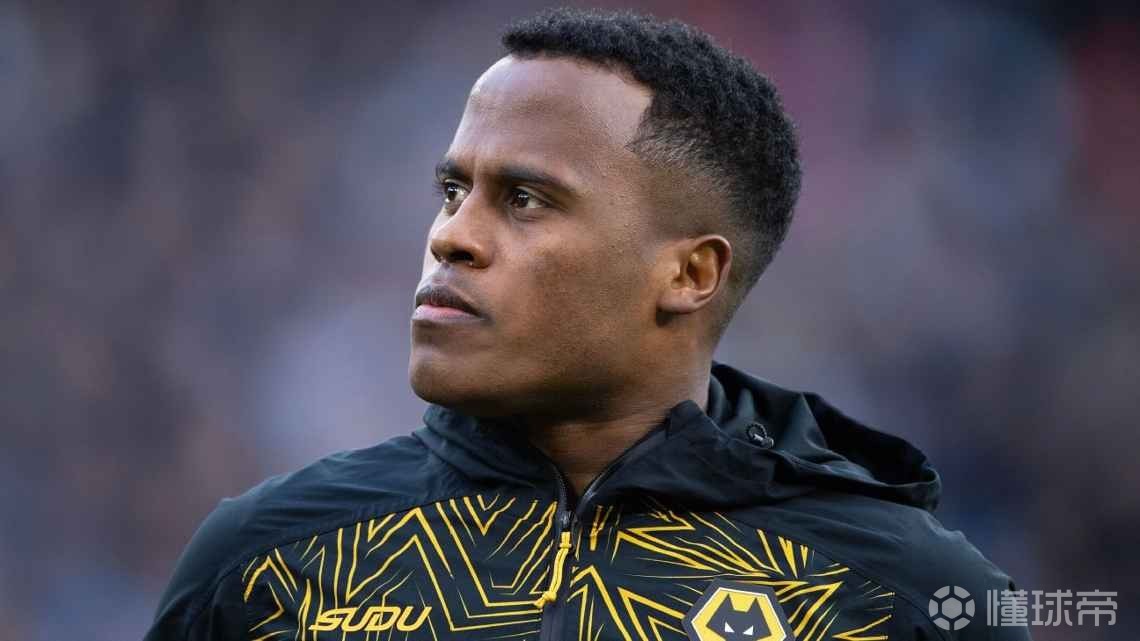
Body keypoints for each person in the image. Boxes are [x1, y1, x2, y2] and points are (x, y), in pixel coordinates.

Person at [145, 8, 1029, 641]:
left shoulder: (905, 595)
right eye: (453, 190)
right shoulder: (265, 562)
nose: (450, 235)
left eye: (524, 199)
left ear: (689, 274)